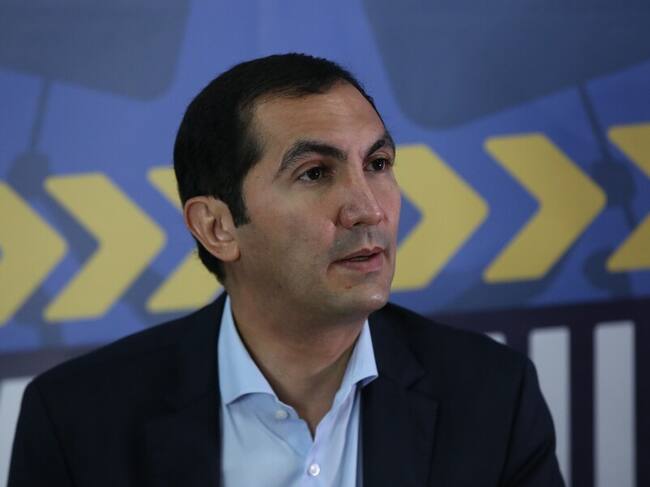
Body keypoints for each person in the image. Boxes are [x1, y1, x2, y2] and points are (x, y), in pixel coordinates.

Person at [8, 54, 565, 486]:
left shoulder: (492, 394)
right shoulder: (78, 420)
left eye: (377, 163)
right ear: (217, 227)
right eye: (315, 173)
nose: (369, 209)